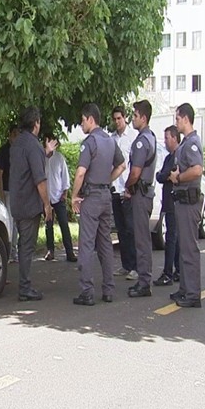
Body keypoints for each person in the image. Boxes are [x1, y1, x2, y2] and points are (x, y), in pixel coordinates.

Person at [71, 103, 126, 306]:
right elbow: (122, 165)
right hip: (106, 196)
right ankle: (109, 289)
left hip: (92, 197)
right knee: (105, 243)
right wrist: (107, 180)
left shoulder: (90, 142)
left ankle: (87, 291)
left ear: (90, 119)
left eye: (82, 120)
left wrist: (74, 196)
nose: (81, 124)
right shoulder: (110, 141)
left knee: (86, 244)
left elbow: (80, 172)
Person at [9, 106, 53, 301]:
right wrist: (47, 204)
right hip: (29, 202)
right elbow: (39, 179)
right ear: (36, 123)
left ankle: (24, 285)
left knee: (22, 244)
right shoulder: (33, 145)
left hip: (17, 201)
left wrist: (46, 152)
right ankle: (25, 287)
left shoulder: (17, 143)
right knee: (27, 246)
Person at [169, 103, 204, 308]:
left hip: (189, 201)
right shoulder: (186, 142)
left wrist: (179, 177)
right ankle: (184, 289)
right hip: (182, 201)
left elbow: (197, 170)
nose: (176, 123)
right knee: (184, 249)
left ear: (185, 119)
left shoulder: (192, 143)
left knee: (189, 249)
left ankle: (192, 294)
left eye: (177, 119)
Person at [125, 100, 157, 298]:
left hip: (140, 194)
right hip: (145, 193)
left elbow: (135, 172)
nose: (133, 119)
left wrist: (128, 187)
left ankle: (144, 282)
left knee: (142, 240)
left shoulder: (141, 141)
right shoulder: (151, 137)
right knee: (142, 239)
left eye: (135, 116)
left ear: (143, 118)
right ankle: (144, 279)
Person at [110, 106, 139, 281]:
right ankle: (126, 264)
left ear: (125, 118)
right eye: (114, 119)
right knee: (120, 229)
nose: (117, 122)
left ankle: (135, 266)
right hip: (115, 189)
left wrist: (131, 187)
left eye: (119, 118)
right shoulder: (111, 139)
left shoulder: (133, 138)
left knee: (131, 229)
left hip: (128, 190)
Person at [153, 125, 181, 286]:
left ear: (175, 138)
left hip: (174, 201)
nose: (165, 141)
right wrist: (165, 175)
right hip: (169, 201)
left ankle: (168, 272)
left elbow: (171, 175)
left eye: (167, 138)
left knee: (171, 238)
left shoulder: (179, 156)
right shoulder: (169, 157)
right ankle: (177, 270)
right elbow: (161, 175)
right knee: (173, 237)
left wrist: (166, 175)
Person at [43, 136, 77, 262]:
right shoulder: (42, 159)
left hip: (59, 196)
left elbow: (65, 178)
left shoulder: (59, 158)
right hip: (47, 198)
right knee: (48, 225)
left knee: (64, 224)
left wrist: (65, 193)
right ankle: (50, 251)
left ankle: (70, 252)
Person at [0, 124, 20, 262]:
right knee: (9, 223)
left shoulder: (19, 150)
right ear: (10, 135)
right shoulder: (4, 151)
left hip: (17, 192)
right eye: (15, 134)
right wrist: (1, 194)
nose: (17, 137)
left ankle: (13, 252)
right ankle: (9, 252)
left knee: (16, 223)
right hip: (7, 191)